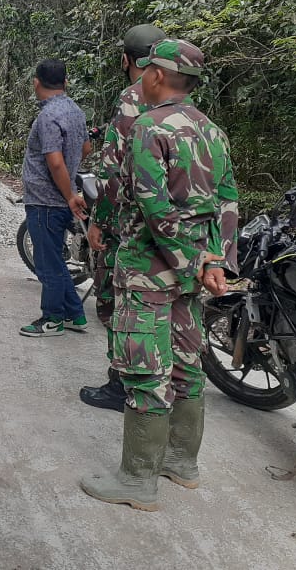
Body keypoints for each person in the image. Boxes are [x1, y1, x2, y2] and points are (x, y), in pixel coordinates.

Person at [80, 38, 238, 511]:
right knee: (188, 364)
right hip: (192, 276)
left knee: (145, 372)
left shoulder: (149, 127)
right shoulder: (212, 130)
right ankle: (181, 462)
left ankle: (138, 480)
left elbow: (152, 205)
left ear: (154, 75)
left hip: (151, 271)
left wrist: (185, 260)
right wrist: (214, 261)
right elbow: (227, 201)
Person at [80, 24, 165, 410]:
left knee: (113, 304)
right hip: (167, 228)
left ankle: (122, 385)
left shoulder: (132, 97)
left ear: (126, 60)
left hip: (128, 226)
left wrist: (98, 221)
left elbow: (113, 173)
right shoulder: (178, 101)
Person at [18, 58, 92, 337]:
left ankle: (52, 320)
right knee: (56, 260)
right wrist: (70, 184)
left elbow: (55, 162)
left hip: (46, 201)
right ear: (65, 82)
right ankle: (75, 315)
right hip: (58, 198)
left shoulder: (47, 117)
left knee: (48, 264)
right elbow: (85, 148)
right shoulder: (75, 110)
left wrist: (68, 193)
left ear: (36, 82)